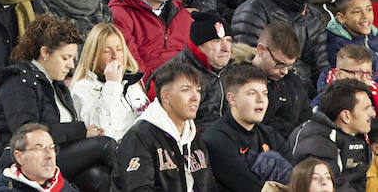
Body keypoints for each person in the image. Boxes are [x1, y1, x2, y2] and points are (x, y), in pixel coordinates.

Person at [0, 14, 116, 192]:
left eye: (73, 58)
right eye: (65, 58)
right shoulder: (19, 80)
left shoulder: (58, 86)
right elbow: (26, 132)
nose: (71, 65)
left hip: (52, 154)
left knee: (98, 175)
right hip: (18, 158)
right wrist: (81, 131)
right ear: (45, 52)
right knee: (105, 145)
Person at [231, 0, 329, 89]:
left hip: (305, 97)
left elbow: (321, 68)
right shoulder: (254, 10)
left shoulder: (314, 17)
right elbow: (248, 66)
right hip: (266, 92)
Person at [114, 60, 211, 192]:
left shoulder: (193, 136)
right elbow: (138, 188)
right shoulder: (139, 136)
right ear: (166, 96)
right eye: (186, 90)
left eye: (198, 90)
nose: (196, 97)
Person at [201, 63, 291, 192]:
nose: (261, 100)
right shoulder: (216, 138)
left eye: (265, 93)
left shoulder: (270, 135)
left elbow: (296, 178)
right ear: (232, 99)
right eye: (252, 93)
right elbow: (248, 186)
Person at [286, 79, 372, 192]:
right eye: (366, 109)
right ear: (346, 116)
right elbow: (330, 185)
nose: (372, 113)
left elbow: (360, 181)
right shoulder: (315, 139)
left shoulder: (358, 135)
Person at [68, 22, 149, 141]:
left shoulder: (132, 83)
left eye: (119, 49)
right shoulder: (81, 89)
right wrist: (112, 85)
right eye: (107, 51)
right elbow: (100, 134)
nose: (115, 55)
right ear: (93, 56)